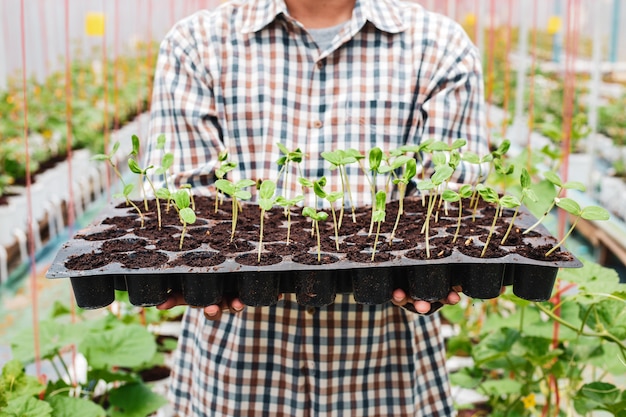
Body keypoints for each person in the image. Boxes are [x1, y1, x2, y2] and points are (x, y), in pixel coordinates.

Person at [145, 0, 489, 415]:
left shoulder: (440, 46)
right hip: (236, 373)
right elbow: (184, 197)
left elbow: (452, 197)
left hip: (386, 371)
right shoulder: (196, 44)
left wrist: (436, 272)